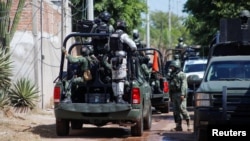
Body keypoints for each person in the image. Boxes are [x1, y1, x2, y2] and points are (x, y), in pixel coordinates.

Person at [109, 20, 137, 103]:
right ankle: (119, 98)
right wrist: (133, 50)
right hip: (121, 58)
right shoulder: (123, 35)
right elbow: (133, 45)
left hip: (113, 58)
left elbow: (108, 46)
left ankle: (115, 97)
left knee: (114, 79)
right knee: (120, 79)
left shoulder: (111, 35)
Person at [168, 60, 191, 131]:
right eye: (171, 67)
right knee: (175, 111)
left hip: (180, 94)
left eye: (173, 67)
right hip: (174, 94)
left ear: (176, 67)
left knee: (182, 109)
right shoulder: (171, 75)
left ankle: (188, 125)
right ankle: (178, 126)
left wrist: (183, 94)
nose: (171, 68)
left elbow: (184, 85)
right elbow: (170, 86)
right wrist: (170, 96)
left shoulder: (182, 74)